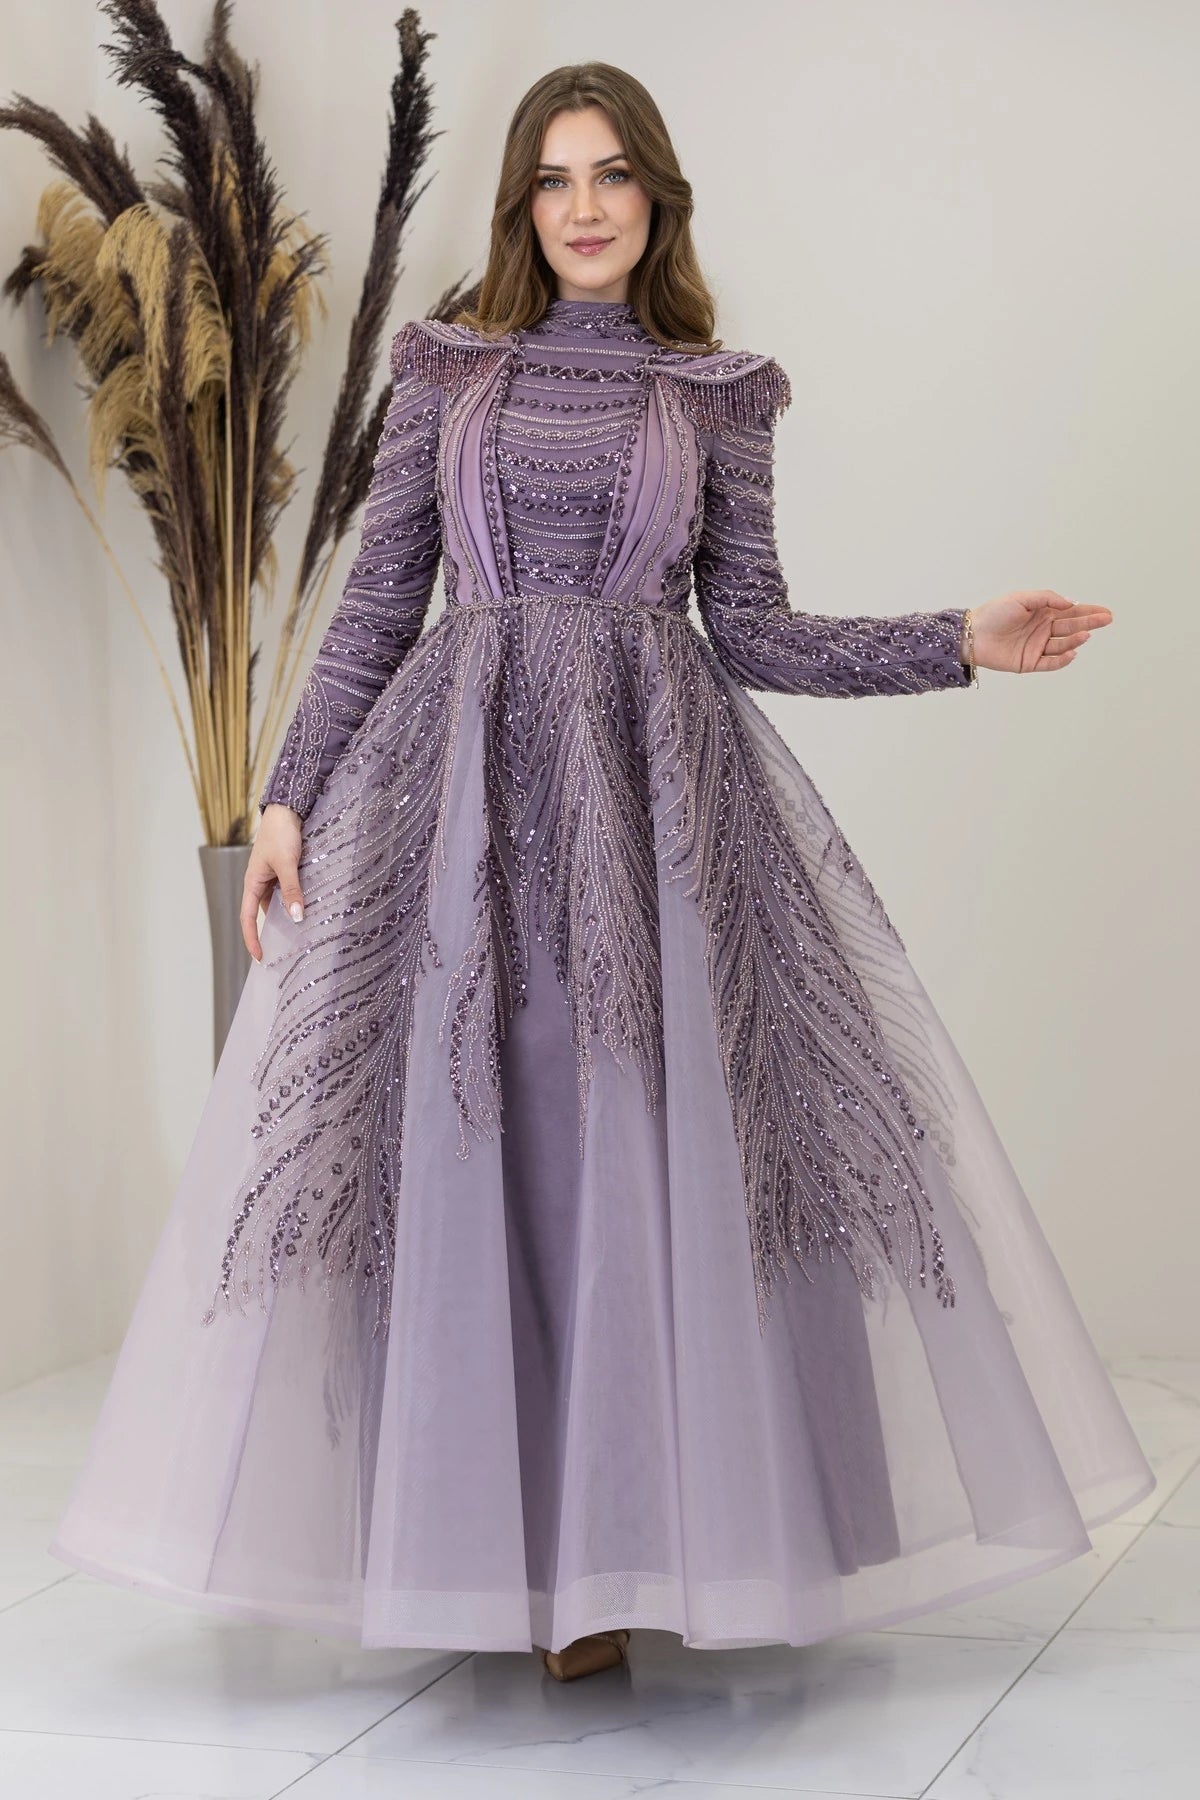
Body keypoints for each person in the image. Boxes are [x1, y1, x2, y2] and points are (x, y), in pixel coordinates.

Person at [49, 63, 1153, 1687]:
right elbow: (380, 606)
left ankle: (624, 1558)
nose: (586, 206)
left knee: (635, 1151)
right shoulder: (446, 371)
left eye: (615, 174)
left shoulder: (718, 394)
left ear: (657, 198)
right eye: (557, 179)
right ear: (522, 204)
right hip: (461, 805)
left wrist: (961, 642)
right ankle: (497, 1552)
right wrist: (285, 798)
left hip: (656, 809)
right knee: (484, 1152)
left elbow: (755, 631)